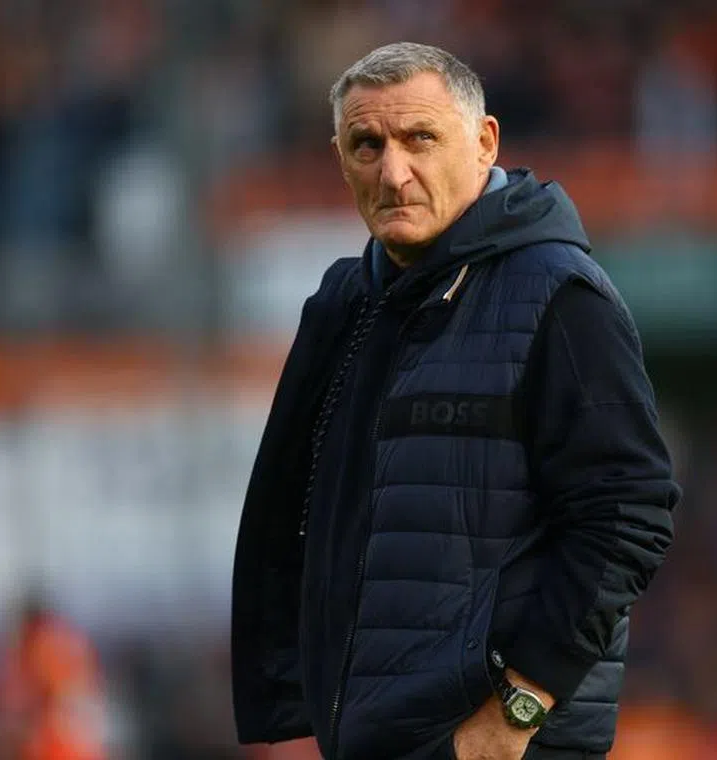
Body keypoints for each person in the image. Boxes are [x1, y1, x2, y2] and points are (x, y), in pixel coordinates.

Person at [231, 42, 680, 760]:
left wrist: (516, 713)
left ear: (483, 143)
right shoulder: (345, 303)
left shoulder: (558, 295)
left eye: (420, 140)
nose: (393, 171)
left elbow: (628, 513)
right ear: (339, 157)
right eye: (366, 145)